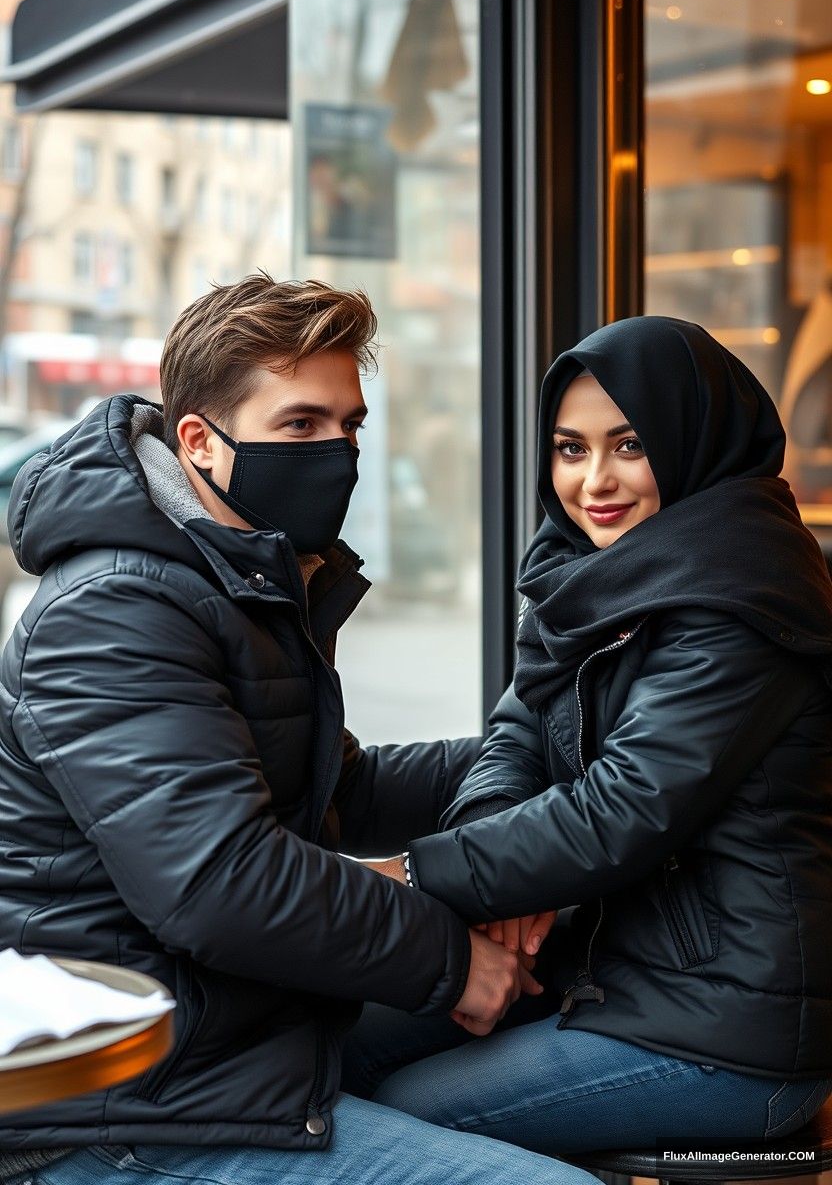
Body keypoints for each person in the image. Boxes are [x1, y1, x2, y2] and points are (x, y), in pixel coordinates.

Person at [0, 274, 600, 1185]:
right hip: (129, 1101)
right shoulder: (118, 606)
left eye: (351, 425)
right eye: (301, 425)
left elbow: (338, 791)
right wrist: (447, 959)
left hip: (240, 1028)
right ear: (198, 440)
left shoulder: (230, 574)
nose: (338, 452)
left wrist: (544, 752)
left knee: (554, 995)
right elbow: (218, 882)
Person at [347, 315, 832, 1154]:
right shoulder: (584, 574)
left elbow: (622, 809)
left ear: (692, 440)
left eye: (630, 445)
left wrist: (415, 873)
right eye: (571, 448)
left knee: (410, 1116)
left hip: (731, 1036)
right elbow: (517, 739)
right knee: (324, 1045)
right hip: (609, 974)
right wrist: (498, 880)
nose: (594, 481)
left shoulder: (743, 595)